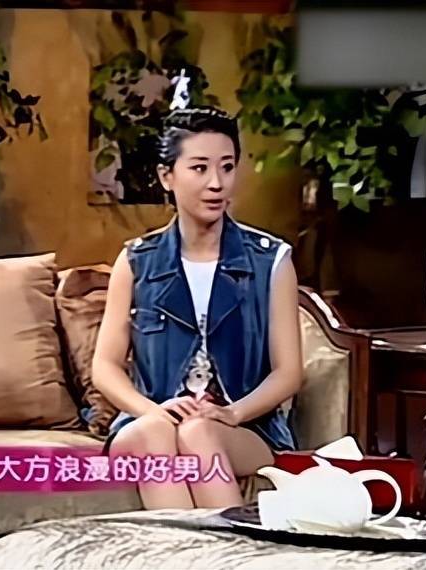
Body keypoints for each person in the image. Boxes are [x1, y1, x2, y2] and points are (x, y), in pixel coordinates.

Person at [91, 105, 303, 510]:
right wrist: (153, 411)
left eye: (227, 167)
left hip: (243, 428)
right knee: (157, 433)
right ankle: (209, 545)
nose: (216, 183)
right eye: (200, 168)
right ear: (166, 176)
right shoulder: (137, 261)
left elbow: (288, 373)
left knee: (198, 433)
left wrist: (234, 413)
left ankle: (203, 545)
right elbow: (105, 367)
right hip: (147, 420)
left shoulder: (271, 261)